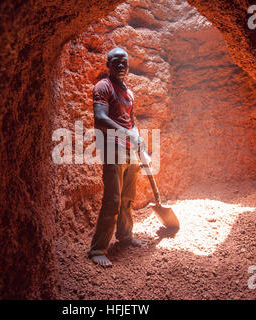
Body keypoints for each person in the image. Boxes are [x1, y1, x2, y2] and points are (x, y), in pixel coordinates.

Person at [87, 47, 146, 267]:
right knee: (112, 199)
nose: (121, 65)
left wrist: (140, 142)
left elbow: (132, 122)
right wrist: (126, 133)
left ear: (128, 65)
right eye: (116, 62)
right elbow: (100, 118)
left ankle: (125, 236)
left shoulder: (129, 93)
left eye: (124, 62)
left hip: (131, 150)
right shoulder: (104, 86)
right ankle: (97, 249)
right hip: (113, 148)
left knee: (127, 198)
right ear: (108, 65)